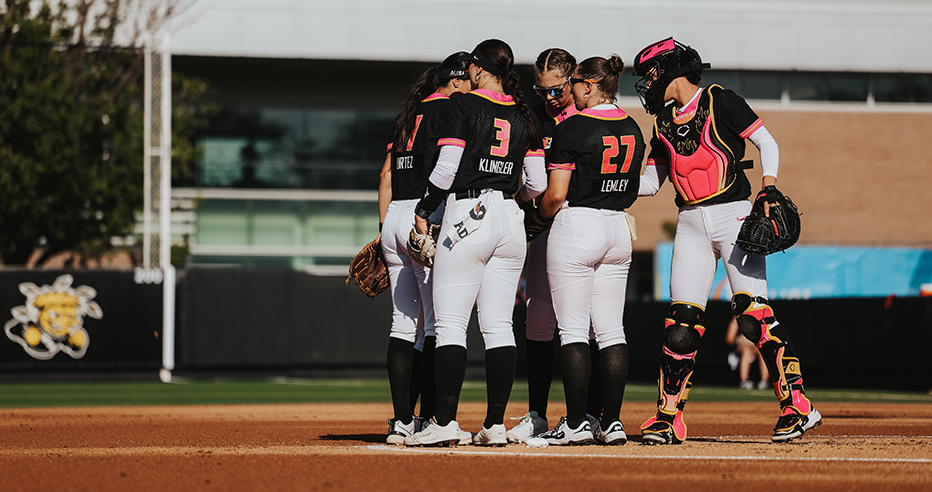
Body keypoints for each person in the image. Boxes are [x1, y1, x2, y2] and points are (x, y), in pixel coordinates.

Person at [632, 37, 822, 444]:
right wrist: (609, 181)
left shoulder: (720, 100)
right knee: (679, 327)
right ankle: (669, 418)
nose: (645, 84)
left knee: (753, 316)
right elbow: (651, 181)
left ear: (668, 69)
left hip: (733, 214)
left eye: (648, 74)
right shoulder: (662, 120)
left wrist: (768, 189)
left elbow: (766, 141)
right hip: (689, 221)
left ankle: (798, 405)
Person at [403, 39, 546, 447]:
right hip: (509, 217)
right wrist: (508, 203)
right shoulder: (523, 112)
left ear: (479, 70)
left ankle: (445, 423)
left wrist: (425, 209)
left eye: (470, 68)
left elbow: (447, 168)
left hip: (468, 214)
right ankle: (495, 425)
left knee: (450, 325)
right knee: (500, 327)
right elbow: (535, 183)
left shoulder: (460, 105)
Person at [524, 55, 644, 446]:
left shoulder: (573, 127)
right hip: (618, 225)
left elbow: (555, 195)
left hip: (578, 225)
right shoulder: (633, 127)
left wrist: (537, 221)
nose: (570, 90)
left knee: (574, 329)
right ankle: (611, 422)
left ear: (589, 85)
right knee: (611, 331)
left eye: (574, 83)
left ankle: (575, 422)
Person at [378, 52, 473, 445]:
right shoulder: (450, 112)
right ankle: (432, 418)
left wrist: (384, 229)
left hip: (395, 217)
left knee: (403, 324)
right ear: (455, 80)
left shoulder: (409, 113)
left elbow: (386, 174)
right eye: (468, 79)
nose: (473, 86)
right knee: (436, 324)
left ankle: (401, 421)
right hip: (425, 218)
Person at [506, 47, 579, 444]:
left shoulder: (587, 115)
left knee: (581, 322)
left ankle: (588, 414)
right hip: (540, 224)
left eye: (556, 90)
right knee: (537, 320)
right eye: (541, 89)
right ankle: (536, 413)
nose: (548, 97)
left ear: (573, 81)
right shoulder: (533, 116)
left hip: (575, 223)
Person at [725, 316, 770, 389]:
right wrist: (739, 343)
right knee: (746, 351)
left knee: (763, 351)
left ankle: (764, 381)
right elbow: (729, 338)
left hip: (757, 346)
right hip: (743, 348)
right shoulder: (738, 318)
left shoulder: (761, 315)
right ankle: (744, 380)